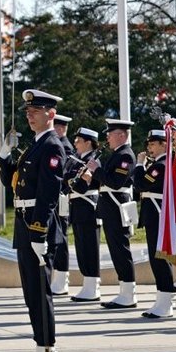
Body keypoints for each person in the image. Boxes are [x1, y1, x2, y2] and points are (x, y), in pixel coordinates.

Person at [0, 89, 66, 352]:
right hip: (26, 227)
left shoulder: (51, 146)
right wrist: (3, 155)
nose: (29, 116)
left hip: (37, 228)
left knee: (39, 294)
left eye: (35, 111)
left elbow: (48, 193)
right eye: (27, 112)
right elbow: (12, 180)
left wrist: (39, 232)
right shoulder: (36, 146)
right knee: (31, 294)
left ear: (50, 114)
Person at [86, 118, 137, 309]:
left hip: (117, 206)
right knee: (116, 249)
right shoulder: (117, 154)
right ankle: (124, 290)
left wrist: (97, 170)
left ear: (122, 135)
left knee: (121, 249)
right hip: (110, 206)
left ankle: (128, 293)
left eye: (111, 133)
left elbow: (115, 182)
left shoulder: (125, 156)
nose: (107, 137)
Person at [136, 129, 176, 318]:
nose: (149, 148)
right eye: (149, 144)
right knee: (157, 258)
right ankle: (162, 300)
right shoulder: (160, 164)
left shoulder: (160, 165)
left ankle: (166, 302)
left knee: (160, 259)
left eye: (153, 144)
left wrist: (139, 165)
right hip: (154, 213)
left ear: (163, 144)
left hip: (157, 214)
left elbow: (140, 184)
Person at [67, 127, 103, 301]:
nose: (75, 143)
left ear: (88, 142)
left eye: (78, 140)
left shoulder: (93, 161)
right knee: (81, 247)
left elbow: (82, 186)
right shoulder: (76, 161)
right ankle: (86, 284)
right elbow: (66, 181)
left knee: (90, 247)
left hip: (89, 208)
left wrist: (75, 182)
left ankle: (93, 287)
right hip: (77, 207)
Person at [50, 114, 76, 295]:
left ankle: (62, 279)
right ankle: (59, 278)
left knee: (61, 237)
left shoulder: (64, 147)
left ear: (60, 129)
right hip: (58, 197)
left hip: (61, 197)